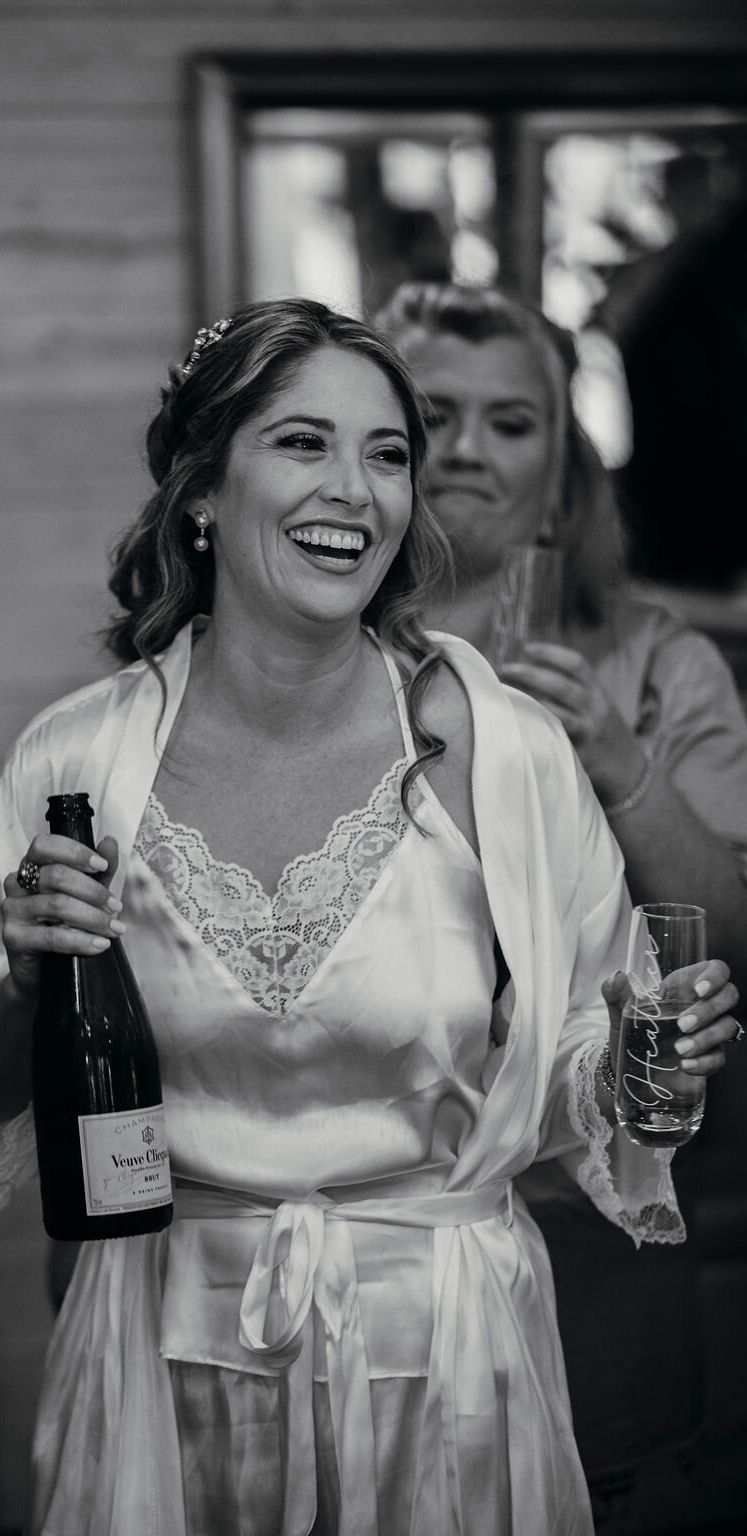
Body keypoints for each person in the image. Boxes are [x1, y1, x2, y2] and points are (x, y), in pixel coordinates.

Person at [0, 298, 741, 1536]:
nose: (356, 488)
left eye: (384, 453)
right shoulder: (71, 767)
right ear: (202, 490)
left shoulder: (500, 749)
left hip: (449, 1375)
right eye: (303, 443)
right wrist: (27, 991)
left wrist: (633, 1057)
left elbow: (581, 1092)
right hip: (165, 1365)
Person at [374, 279, 747, 1531]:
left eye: (512, 421)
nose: (469, 448)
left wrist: (621, 769)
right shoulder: (306, 653)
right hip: (347, 1226)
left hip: (589, 1215)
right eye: (432, 413)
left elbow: (735, 950)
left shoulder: (657, 665)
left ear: (563, 467)